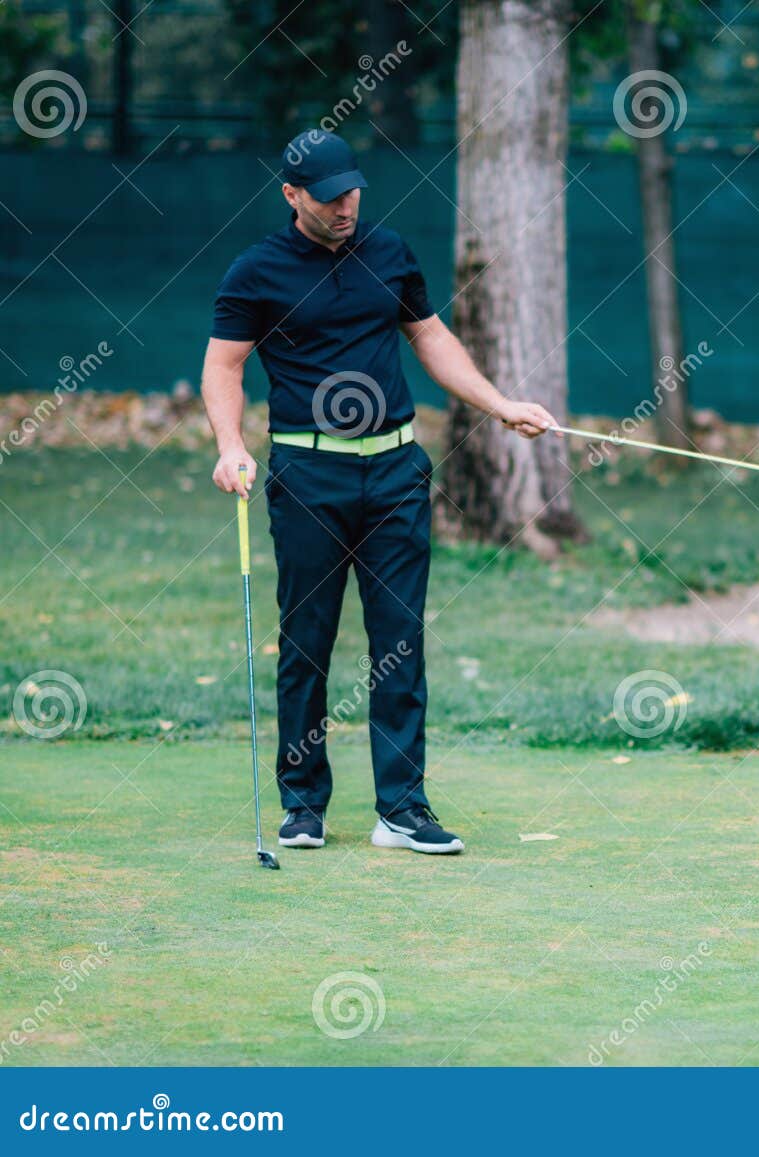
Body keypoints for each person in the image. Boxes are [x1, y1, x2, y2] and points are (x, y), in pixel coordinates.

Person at [201, 129, 557, 855]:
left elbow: (429, 338)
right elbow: (225, 366)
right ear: (292, 195)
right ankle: (302, 804)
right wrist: (230, 445)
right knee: (308, 640)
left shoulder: (389, 252)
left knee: (400, 640)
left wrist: (501, 405)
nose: (346, 206)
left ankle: (402, 809)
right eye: (329, 197)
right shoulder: (256, 271)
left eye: (353, 191)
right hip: (308, 474)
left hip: (396, 469)